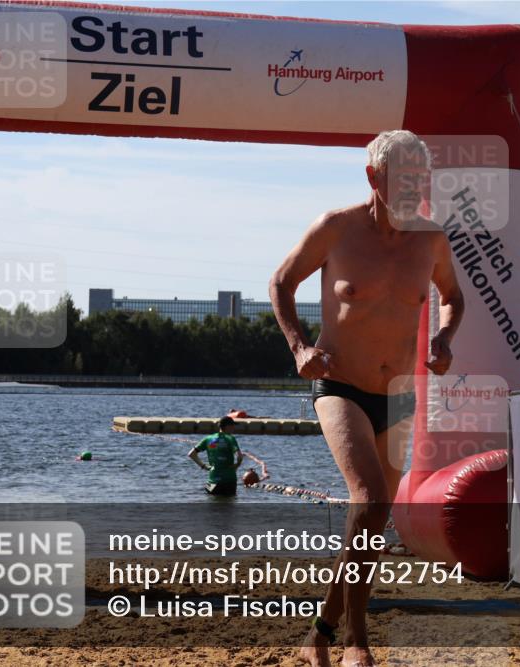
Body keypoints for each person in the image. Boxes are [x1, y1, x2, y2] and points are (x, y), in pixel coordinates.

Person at [269, 129, 464, 667]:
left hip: (400, 392)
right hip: (340, 383)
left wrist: (444, 339)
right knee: (371, 498)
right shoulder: (336, 229)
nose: (414, 190)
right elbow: (281, 282)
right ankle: (358, 641)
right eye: (404, 179)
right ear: (374, 178)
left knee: (371, 518)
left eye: (421, 181)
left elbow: (453, 299)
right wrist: (299, 347)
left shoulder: (431, 239)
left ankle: (319, 635)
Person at [188, 416, 243, 496]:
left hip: (211, 482)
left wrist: (204, 466)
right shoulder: (230, 438)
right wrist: (237, 465)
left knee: (212, 504)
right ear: (227, 426)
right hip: (228, 481)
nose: (234, 428)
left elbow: (191, 454)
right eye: (233, 425)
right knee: (229, 505)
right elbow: (239, 456)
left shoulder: (208, 439)